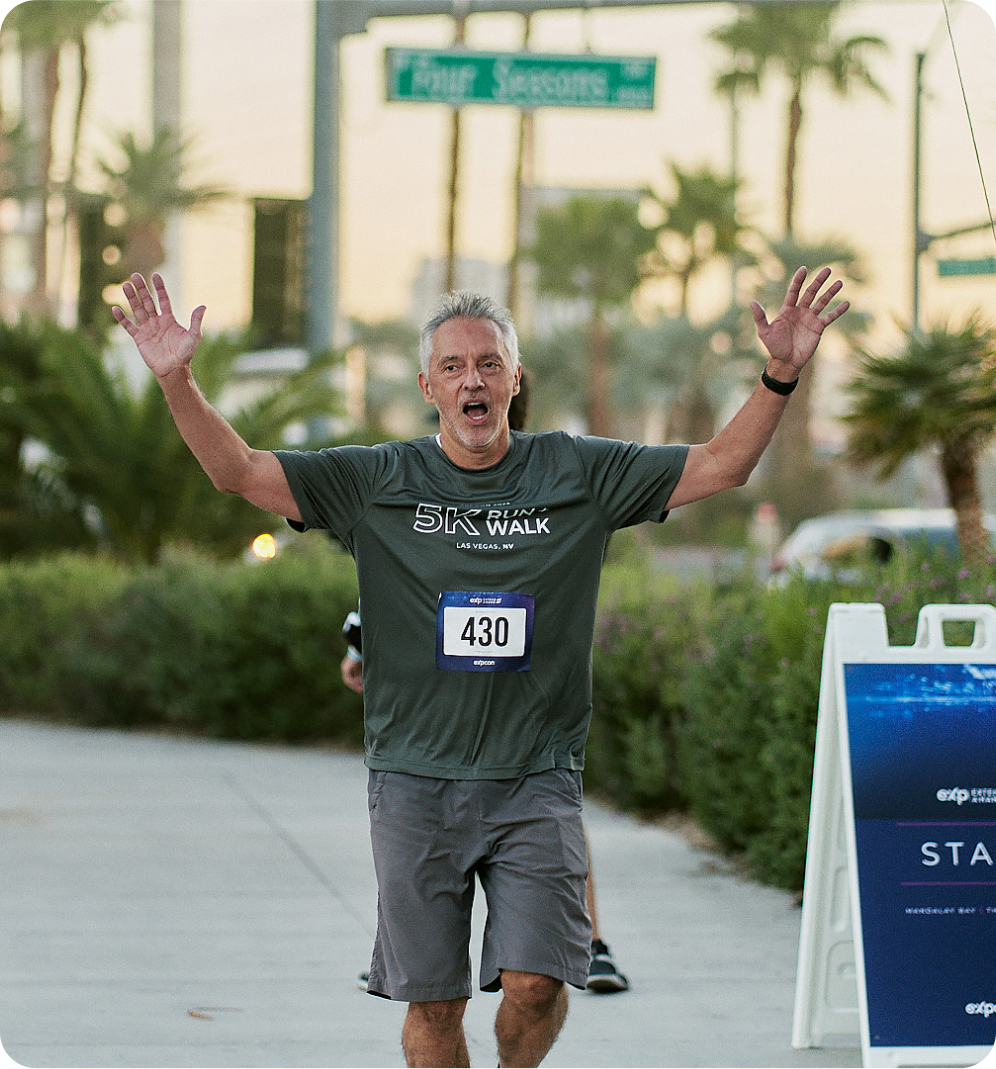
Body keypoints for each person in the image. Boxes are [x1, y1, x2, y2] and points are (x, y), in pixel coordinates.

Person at [113, 266, 847, 1069]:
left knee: (539, 982)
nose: (474, 379)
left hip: (535, 776)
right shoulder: (375, 481)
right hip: (413, 780)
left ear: (515, 378)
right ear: (429, 384)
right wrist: (176, 379)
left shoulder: (578, 471)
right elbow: (239, 470)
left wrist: (782, 373)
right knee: (435, 1001)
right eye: (456, 367)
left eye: (490, 363)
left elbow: (720, 464)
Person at [339, 610, 630, 995]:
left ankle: (588, 945)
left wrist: (358, 650)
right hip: (504, 674)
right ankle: (419, 960)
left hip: (472, 688)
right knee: (544, 801)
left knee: (544, 803)